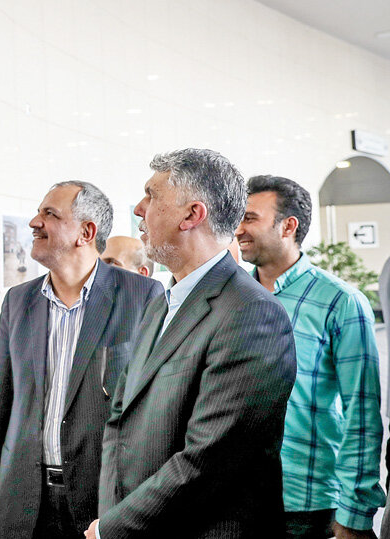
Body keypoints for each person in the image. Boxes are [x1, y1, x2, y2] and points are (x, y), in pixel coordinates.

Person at [88, 148, 296, 538]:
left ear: (192, 215)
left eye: (151, 196)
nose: (139, 209)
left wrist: (112, 528)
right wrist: (112, 514)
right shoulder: (161, 303)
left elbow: (210, 460)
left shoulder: (251, 312)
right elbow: (119, 420)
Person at [0, 181, 162, 538]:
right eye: (39, 212)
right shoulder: (18, 301)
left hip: (103, 499)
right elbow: (2, 399)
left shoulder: (141, 295)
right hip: (23, 496)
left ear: (86, 232)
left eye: (50, 214)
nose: (34, 222)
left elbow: (153, 410)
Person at [237, 175, 384, 539]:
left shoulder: (340, 301)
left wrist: (355, 512)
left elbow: (362, 414)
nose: (238, 229)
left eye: (250, 218)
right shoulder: (232, 296)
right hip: (236, 499)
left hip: (306, 504)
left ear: (288, 226)